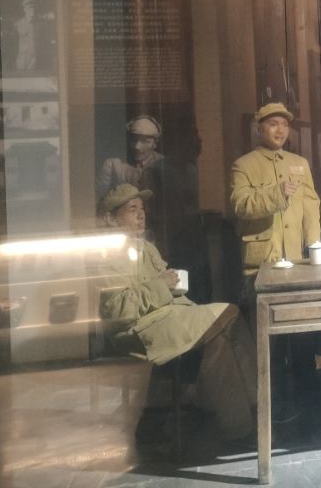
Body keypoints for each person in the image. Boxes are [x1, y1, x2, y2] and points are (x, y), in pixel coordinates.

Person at [98, 184, 257, 445]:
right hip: (140, 328)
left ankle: (246, 412)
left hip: (167, 315)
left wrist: (171, 285)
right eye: (132, 209)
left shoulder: (145, 248)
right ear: (111, 219)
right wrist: (161, 285)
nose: (141, 215)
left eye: (142, 208)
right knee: (227, 314)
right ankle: (237, 421)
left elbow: (164, 286)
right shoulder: (107, 257)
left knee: (221, 333)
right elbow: (118, 310)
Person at [230, 102, 321, 273]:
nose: (280, 130)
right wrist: (277, 194)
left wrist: (314, 245)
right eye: (273, 124)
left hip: (295, 257)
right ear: (258, 129)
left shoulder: (300, 163)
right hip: (261, 261)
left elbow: (311, 206)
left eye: (285, 125)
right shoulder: (244, 165)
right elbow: (240, 205)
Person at [12, 0, 44, 71]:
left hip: (38, 62)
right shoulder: (18, 25)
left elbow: (45, 45)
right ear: (24, 9)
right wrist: (16, 61)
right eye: (29, 8)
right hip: (22, 62)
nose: (33, 10)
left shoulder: (42, 25)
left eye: (34, 8)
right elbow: (14, 45)